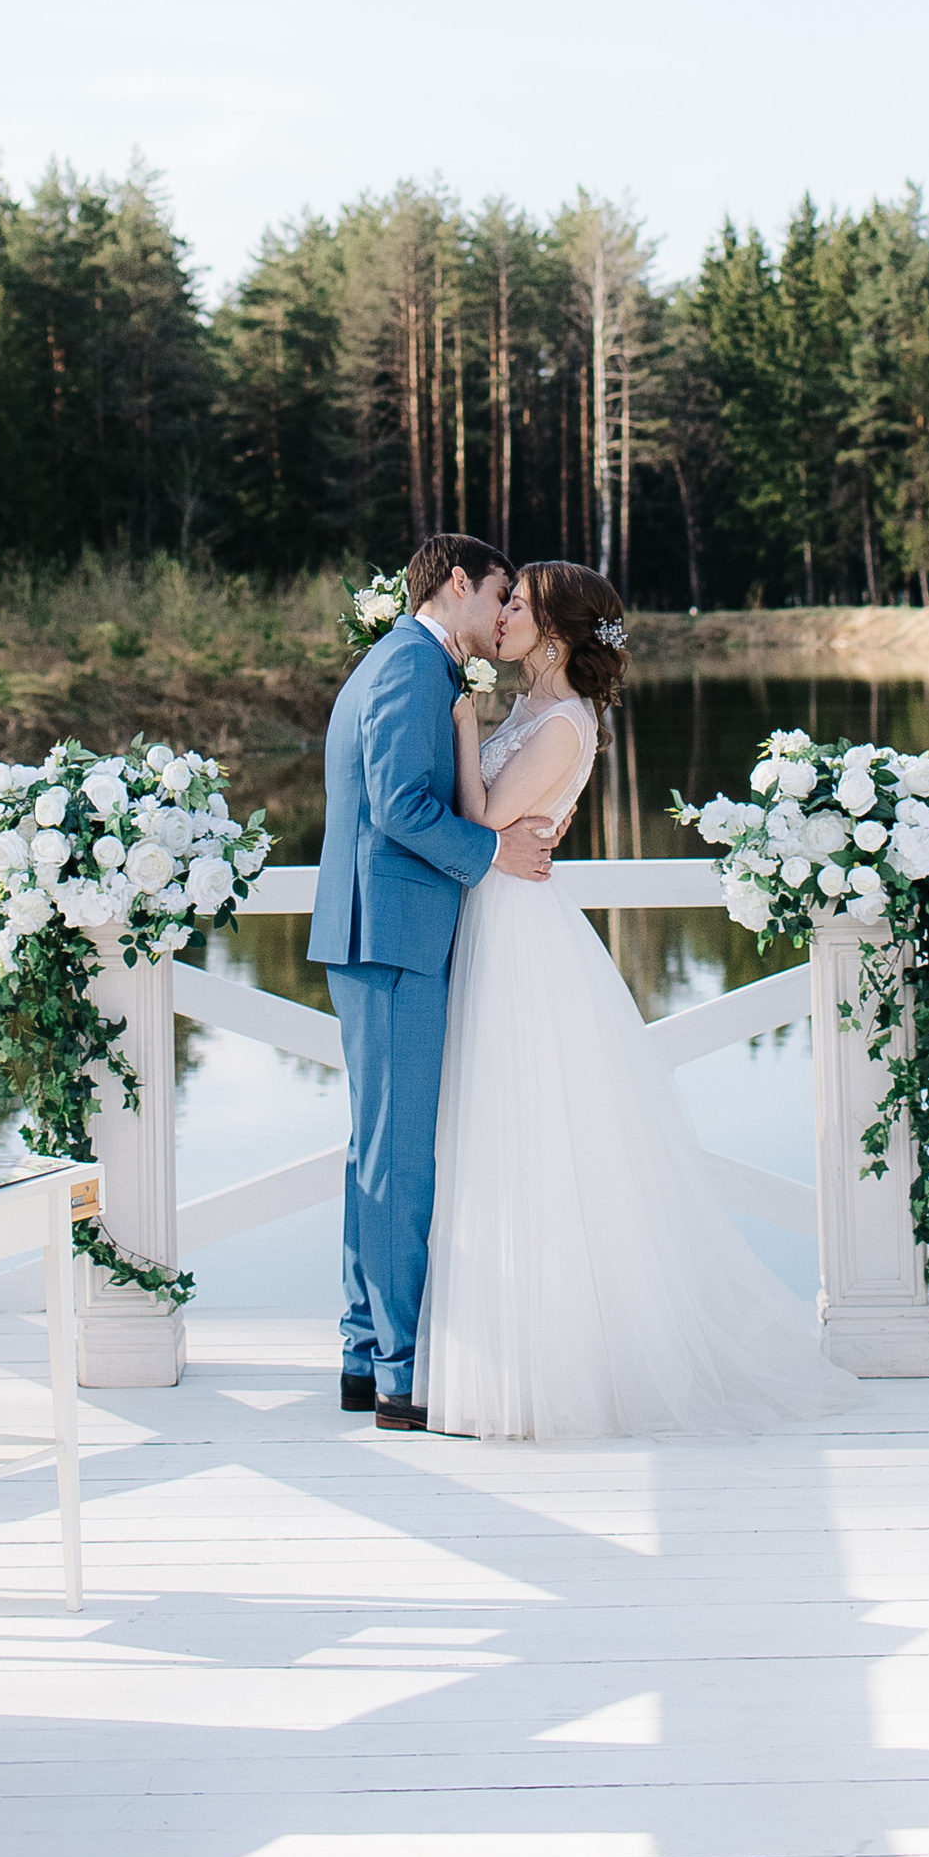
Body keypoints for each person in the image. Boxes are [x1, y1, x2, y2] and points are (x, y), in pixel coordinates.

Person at [417, 559, 863, 1441]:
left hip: (519, 935)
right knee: (502, 1128)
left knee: (530, 1132)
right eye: (506, 601)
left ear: (555, 633)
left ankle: (549, 1372)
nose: (503, 614)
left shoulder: (562, 724)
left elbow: (483, 819)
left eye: (519, 605)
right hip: (500, 917)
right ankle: (503, 1356)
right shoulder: (537, 708)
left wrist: (463, 723)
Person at [308, 532, 558, 1428]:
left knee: (378, 1151)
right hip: (391, 937)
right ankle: (401, 1372)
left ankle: (363, 1351)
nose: (504, 612)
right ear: (457, 581)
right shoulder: (412, 667)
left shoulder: (406, 663)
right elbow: (399, 807)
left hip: (385, 932)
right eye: (498, 593)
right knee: (398, 1158)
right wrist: (494, 853)